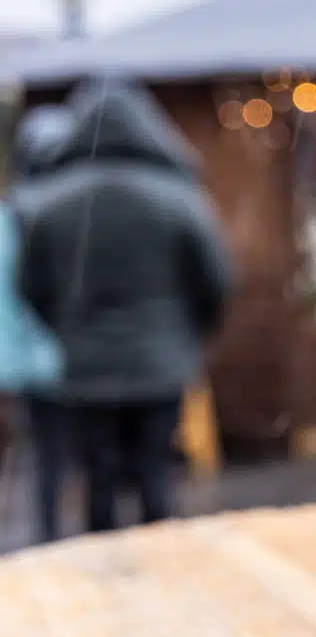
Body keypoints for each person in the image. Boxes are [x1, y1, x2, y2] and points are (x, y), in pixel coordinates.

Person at [18, 81, 231, 534]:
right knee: (156, 474)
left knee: (98, 480)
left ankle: (109, 584)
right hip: (160, 360)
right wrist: (189, 336)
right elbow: (215, 280)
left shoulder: (49, 203)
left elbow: (31, 288)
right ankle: (157, 576)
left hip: (85, 364)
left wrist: (67, 330)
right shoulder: (178, 198)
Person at [1, 108, 70, 542]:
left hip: (19, 356)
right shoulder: (69, 212)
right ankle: (47, 535)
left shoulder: (13, 213)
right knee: (51, 454)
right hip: (52, 354)